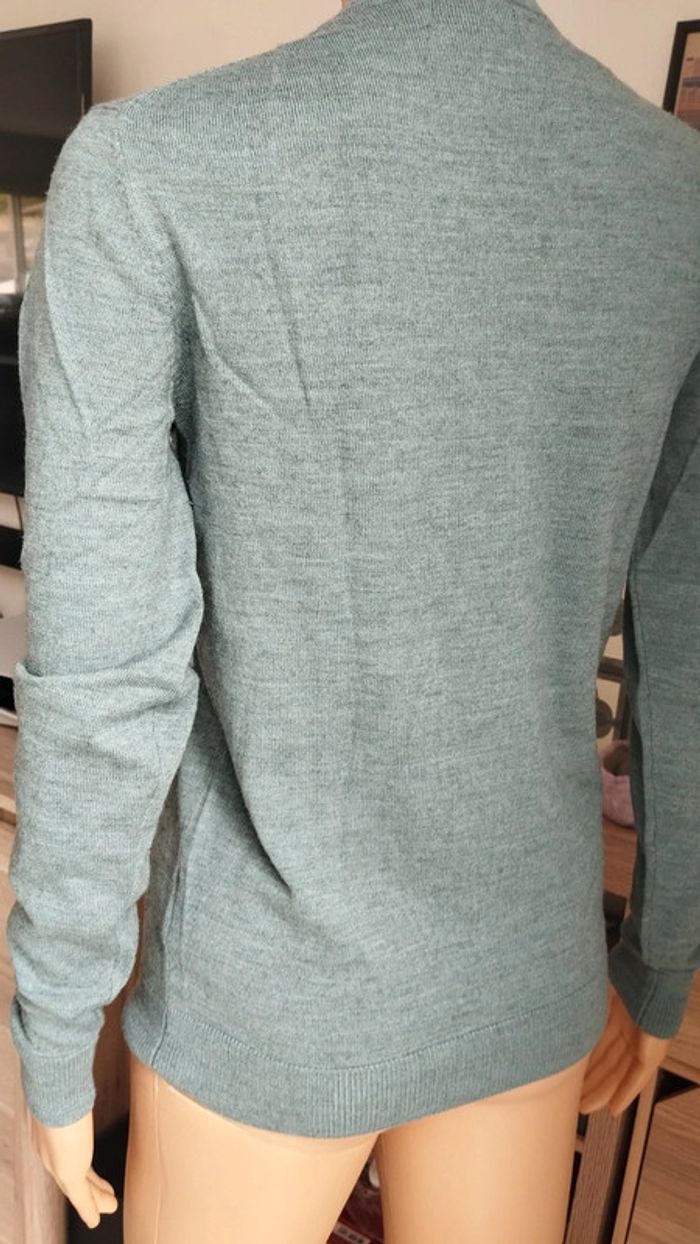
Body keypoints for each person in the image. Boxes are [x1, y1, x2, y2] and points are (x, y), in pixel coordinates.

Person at [7, 0, 700, 1239]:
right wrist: (661, 953)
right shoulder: (676, 194)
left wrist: (57, 1015)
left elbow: (110, 660)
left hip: (266, 995)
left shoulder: (148, 167)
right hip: (524, 968)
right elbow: (688, 642)